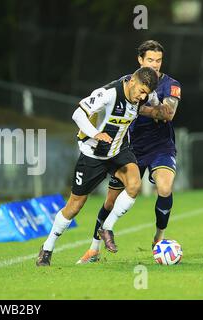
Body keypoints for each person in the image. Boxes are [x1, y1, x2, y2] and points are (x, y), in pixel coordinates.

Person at [36, 67, 159, 267]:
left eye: (146, 93)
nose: (142, 97)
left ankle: (107, 227)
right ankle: (47, 248)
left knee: (134, 185)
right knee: (74, 206)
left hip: (118, 152)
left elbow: (154, 101)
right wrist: (95, 134)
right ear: (133, 81)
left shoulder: (145, 95)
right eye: (141, 91)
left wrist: (160, 110)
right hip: (92, 155)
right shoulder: (109, 94)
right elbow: (78, 114)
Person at [77, 40, 182, 264]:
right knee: (110, 201)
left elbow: (168, 114)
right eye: (150, 60)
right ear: (140, 61)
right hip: (129, 146)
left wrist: (139, 103)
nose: (155, 64)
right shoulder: (126, 82)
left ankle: (159, 238)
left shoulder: (172, 85)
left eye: (159, 60)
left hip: (160, 146)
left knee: (165, 187)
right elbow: (106, 99)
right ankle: (94, 248)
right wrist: (153, 108)